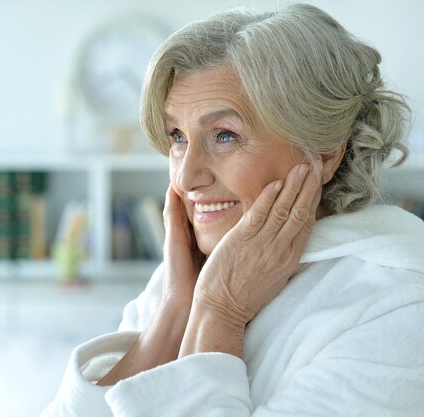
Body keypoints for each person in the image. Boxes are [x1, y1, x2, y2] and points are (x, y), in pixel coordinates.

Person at [41, 4, 424, 416]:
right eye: (177, 136)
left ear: (325, 152)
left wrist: (220, 312)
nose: (186, 178)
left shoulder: (401, 309)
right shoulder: (184, 280)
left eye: (224, 135)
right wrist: (173, 314)